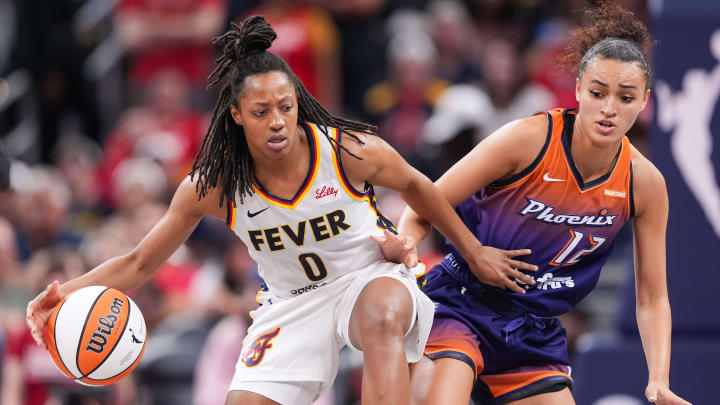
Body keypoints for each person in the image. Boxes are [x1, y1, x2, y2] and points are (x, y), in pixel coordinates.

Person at [26, 16, 535, 405]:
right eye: (261, 112)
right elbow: (138, 263)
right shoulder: (213, 185)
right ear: (236, 116)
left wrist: (473, 252)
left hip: (368, 278)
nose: (277, 122)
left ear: (299, 102)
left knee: (382, 314)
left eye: (286, 107)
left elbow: (420, 187)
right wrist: (62, 293)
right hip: (290, 303)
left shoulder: (348, 149)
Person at [391, 3, 692, 404]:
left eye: (625, 97)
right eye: (598, 93)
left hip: (535, 329)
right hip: (462, 303)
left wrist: (659, 378)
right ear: (579, 88)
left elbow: (652, 296)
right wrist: (448, 261)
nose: (608, 108)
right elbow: (420, 206)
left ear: (644, 101)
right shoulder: (526, 139)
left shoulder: (646, 183)